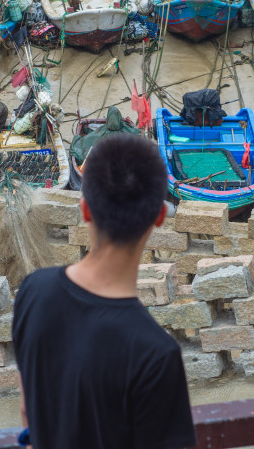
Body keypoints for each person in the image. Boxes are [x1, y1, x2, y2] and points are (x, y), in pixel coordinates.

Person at [13, 134, 196, 449]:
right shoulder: (156, 354)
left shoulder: (33, 292)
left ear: (85, 210)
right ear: (160, 216)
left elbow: (27, 411)